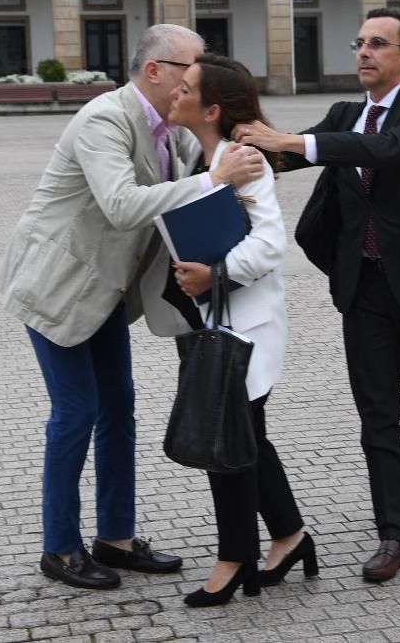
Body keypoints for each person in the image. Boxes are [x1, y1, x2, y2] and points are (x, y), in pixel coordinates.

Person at [0, 24, 265, 590]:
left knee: (119, 409)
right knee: (76, 414)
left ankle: (115, 539)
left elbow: (209, 164)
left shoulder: (173, 130)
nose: (195, 80)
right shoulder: (103, 119)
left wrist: (261, 146)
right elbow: (122, 206)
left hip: (108, 294)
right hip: (57, 286)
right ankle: (60, 548)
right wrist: (215, 178)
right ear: (155, 71)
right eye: (189, 70)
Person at [232, 8, 400, 582]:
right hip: (363, 285)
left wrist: (296, 139)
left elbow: (387, 149)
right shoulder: (346, 114)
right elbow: (287, 156)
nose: (363, 53)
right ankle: (395, 532)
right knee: (376, 412)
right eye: (359, 43)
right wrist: (227, 138)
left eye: (377, 44)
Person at [138, 53, 318, 607]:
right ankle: (289, 536)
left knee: (228, 443)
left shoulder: (244, 160)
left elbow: (268, 245)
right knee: (247, 437)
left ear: (211, 107)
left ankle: (233, 557)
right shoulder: (203, 152)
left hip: (246, 327)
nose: (175, 92)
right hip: (218, 320)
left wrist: (213, 274)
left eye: (186, 88)